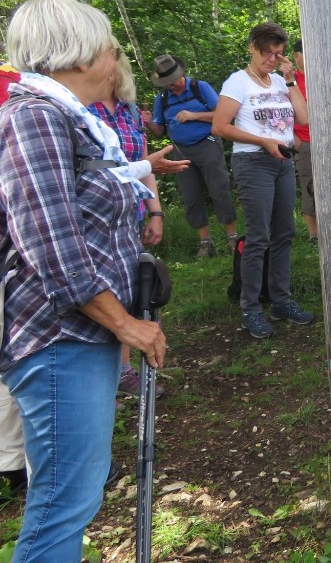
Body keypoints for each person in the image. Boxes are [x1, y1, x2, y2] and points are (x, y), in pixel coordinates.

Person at [0, 0, 168, 563]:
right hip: (55, 338)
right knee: (63, 501)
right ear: (73, 53)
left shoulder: (71, 120)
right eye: (107, 47)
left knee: (76, 491)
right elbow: (51, 244)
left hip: (80, 336)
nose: (115, 58)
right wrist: (125, 324)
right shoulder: (33, 118)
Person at [212, 22, 314, 339]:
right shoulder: (238, 82)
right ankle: (251, 308)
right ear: (252, 48)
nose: (272, 58)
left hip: (281, 162)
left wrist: (289, 79)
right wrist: (262, 141)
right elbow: (220, 126)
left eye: (278, 53)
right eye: (267, 53)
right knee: (258, 237)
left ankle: (281, 301)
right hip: (253, 162)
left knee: (284, 232)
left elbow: (304, 118)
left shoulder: (279, 82)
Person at [89, 38, 169, 399]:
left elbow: (143, 164)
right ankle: (111, 373)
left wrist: (155, 211)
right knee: (100, 295)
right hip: (94, 220)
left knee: (129, 291)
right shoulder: (79, 109)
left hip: (131, 218)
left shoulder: (130, 110)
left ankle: (124, 369)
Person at [147, 54, 239, 258]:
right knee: (191, 197)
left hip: (207, 143)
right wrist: (148, 122)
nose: (173, 87)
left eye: (175, 82)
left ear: (182, 75)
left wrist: (194, 115)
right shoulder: (162, 99)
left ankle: (233, 238)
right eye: (168, 85)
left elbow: (223, 115)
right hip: (181, 151)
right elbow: (159, 130)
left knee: (220, 189)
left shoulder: (200, 87)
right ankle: (205, 243)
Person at [291, 39, 318, 245]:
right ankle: (313, 234)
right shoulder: (288, 81)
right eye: (305, 53)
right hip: (304, 142)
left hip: (327, 140)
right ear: (296, 56)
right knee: (308, 184)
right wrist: (295, 140)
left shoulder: (321, 76)